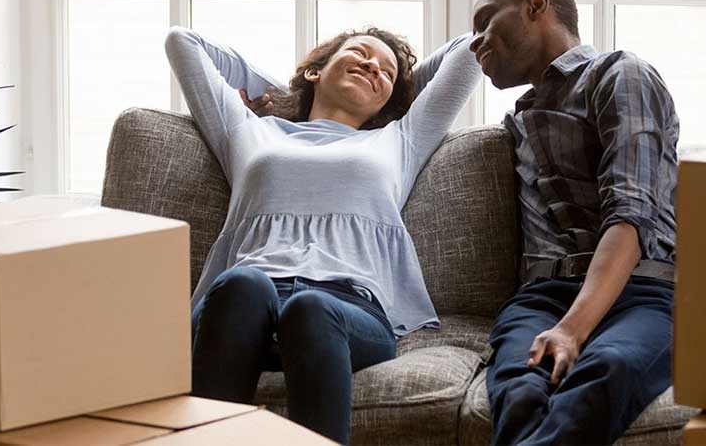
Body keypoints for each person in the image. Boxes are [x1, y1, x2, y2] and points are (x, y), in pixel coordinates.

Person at [164, 25, 480, 444]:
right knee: (244, 282)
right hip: (242, 308)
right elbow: (182, 42)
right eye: (360, 53)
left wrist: (394, 89)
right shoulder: (247, 132)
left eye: (386, 70)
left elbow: (472, 47)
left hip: (347, 312)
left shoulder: (400, 140)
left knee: (312, 307)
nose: (373, 65)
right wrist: (281, 94)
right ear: (316, 71)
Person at [470, 0, 680, 445]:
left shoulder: (619, 73)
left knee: (607, 370)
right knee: (521, 389)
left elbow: (631, 213)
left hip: (641, 290)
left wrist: (571, 330)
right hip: (542, 296)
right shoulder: (520, 117)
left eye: (484, 23)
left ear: (536, 6)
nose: (473, 44)